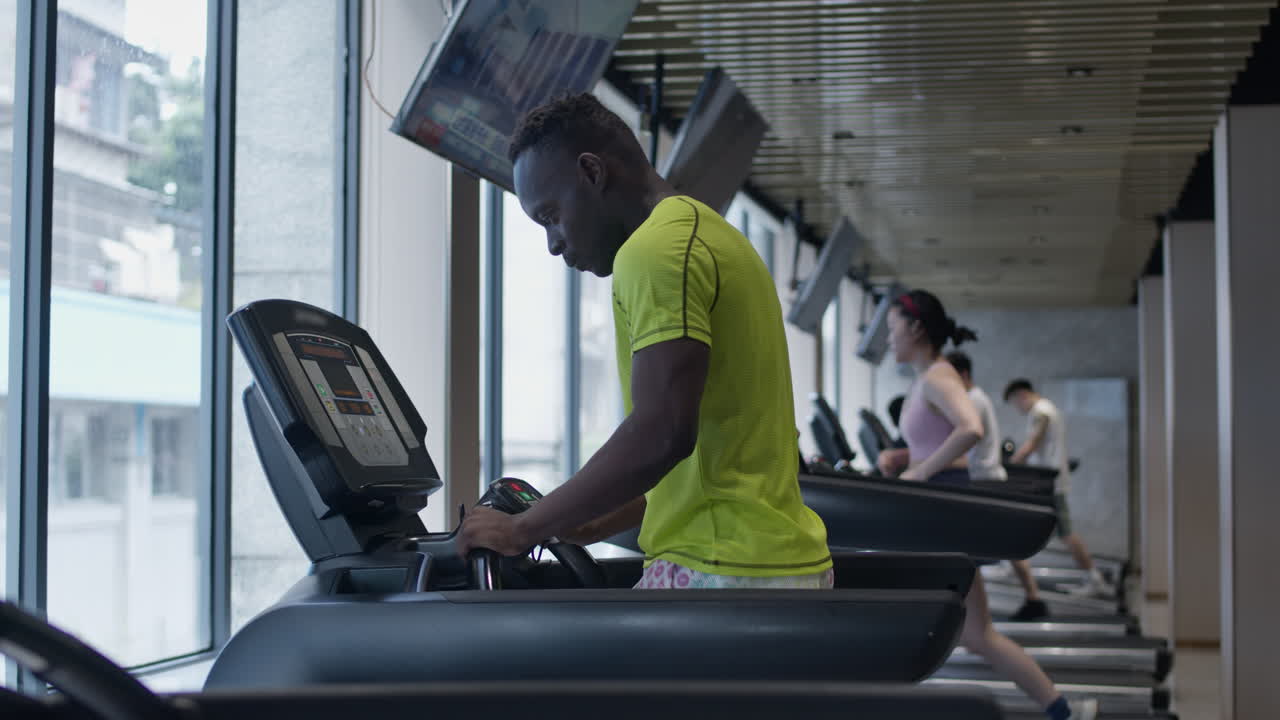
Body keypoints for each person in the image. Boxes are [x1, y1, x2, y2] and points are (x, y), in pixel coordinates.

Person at [458, 92, 833, 590]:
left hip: (718, 567)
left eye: (550, 215)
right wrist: (576, 522)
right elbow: (702, 460)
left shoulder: (655, 251)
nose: (553, 245)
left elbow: (663, 433)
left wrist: (523, 528)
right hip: (772, 564)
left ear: (592, 172)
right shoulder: (713, 235)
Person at [876, 290, 1096, 720]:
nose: (888, 339)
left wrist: (920, 473)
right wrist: (906, 459)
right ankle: (1062, 710)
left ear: (916, 328)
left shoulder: (938, 377)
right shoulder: (928, 378)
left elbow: (970, 428)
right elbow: (946, 443)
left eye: (892, 328)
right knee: (978, 635)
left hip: (937, 520)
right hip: (935, 518)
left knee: (905, 628)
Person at [1004, 380, 1115, 598]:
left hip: (1048, 484)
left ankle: (1094, 578)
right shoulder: (1047, 409)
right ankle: (1011, 564)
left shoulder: (1041, 411)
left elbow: (1033, 442)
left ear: (1022, 395)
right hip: (1046, 482)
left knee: (1066, 533)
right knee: (1027, 525)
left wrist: (1011, 464)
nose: (1017, 409)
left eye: (1015, 403)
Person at [944, 351, 1007, 482]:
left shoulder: (973, 400)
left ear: (964, 374)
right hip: (983, 475)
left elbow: (962, 440)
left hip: (984, 477)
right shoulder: (974, 398)